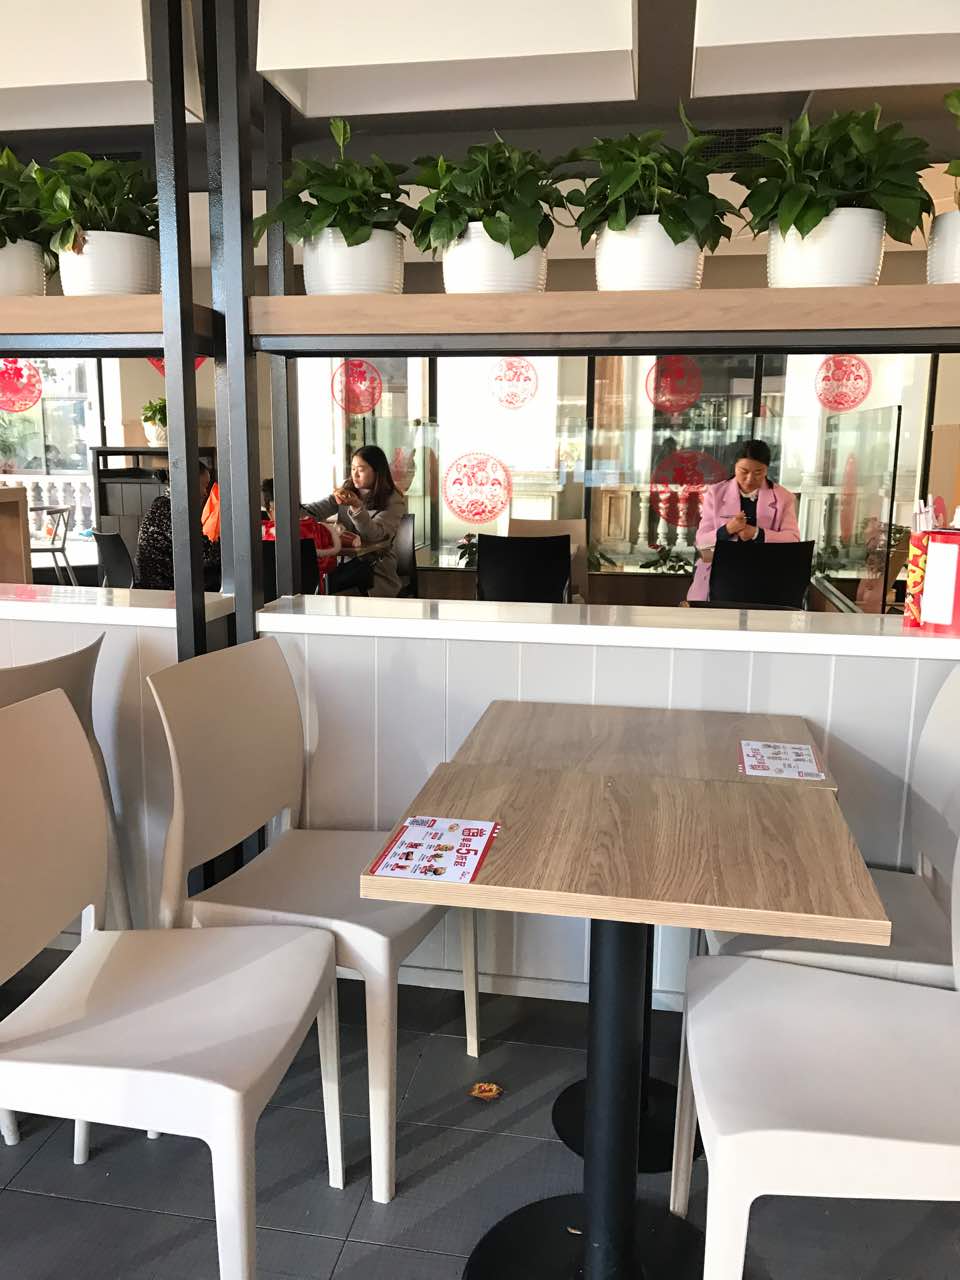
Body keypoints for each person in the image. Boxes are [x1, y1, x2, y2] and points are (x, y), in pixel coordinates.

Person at [687, 439, 799, 602]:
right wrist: (727, 529)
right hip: (721, 573)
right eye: (744, 471)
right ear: (735, 467)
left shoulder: (784, 498)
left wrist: (757, 534)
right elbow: (702, 541)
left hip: (766, 573)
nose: (749, 479)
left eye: (758, 472)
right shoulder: (716, 493)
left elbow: (793, 539)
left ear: (767, 469)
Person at [302, 445, 407, 597]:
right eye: (352, 469)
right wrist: (293, 509)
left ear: (377, 471)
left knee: (326, 594)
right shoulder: (347, 490)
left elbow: (375, 535)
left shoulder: (393, 500)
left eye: (361, 469)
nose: (355, 474)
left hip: (374, 571)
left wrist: (357, 507)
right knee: (311, 585)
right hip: (341, 568)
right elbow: (316, 511)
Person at [136, 461, 221, 590]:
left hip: (152, 583)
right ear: (190, 483)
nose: (205, 493)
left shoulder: (161, 505)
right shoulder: (177, 512)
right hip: (166, 587)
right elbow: (205, 555)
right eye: (204, 486)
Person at [261, 477, 340, 584]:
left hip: (269, 590)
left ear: (269, 509)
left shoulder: (262, 532)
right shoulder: (316, 528)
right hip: (309, 590)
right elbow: (329, 565)